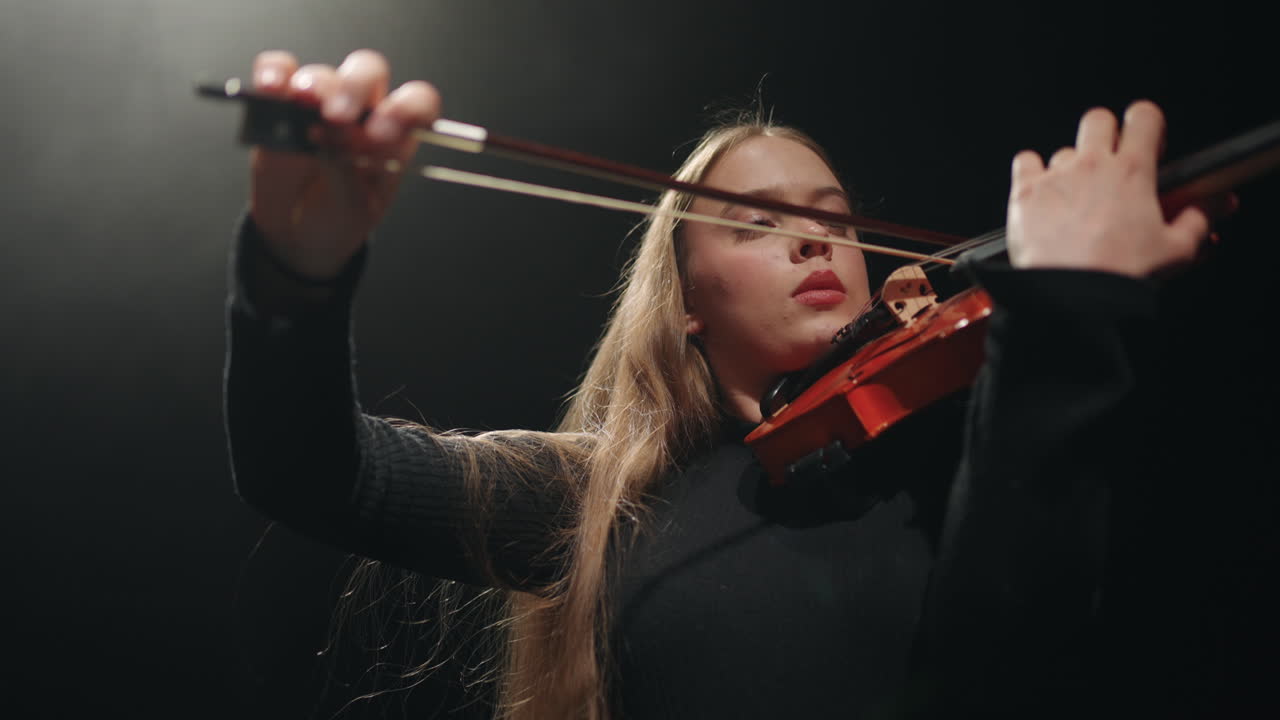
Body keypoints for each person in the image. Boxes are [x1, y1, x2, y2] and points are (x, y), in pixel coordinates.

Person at [225, 48, 1219, 719]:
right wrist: (297, 272)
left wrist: (1065, 328)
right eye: (752, 223)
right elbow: (310, 473)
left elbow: (1016, 659)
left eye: (830, 216)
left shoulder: (959, 449)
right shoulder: (604, 499)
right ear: (686, 300)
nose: (809, 236)